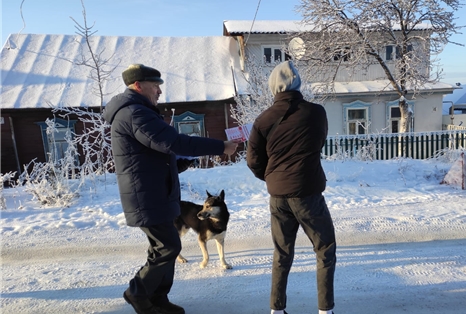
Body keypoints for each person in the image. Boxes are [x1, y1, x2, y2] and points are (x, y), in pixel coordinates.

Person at [103, 63, 238, 314]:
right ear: (138, 85)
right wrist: (220, 146)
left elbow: (157, 155)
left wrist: (185, 160)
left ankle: (157, 299)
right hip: (147, 197)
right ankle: (138, 293)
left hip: (156, 194)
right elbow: (172, 142)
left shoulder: (138, 112)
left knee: (163, 246)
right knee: (168, 247)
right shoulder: (134, 113)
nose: (159, 92)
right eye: (155, 86)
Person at [246, 61, 336, 314]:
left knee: (282, 254)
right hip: (308, 194)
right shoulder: (316, 112)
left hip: (278, 197)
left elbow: (253, 160)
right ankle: (325, 310)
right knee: (325, 249)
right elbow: (319, 141)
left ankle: (277, 309)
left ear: (273, 87)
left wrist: (272, 177)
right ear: (298, 83)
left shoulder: (263, 119)